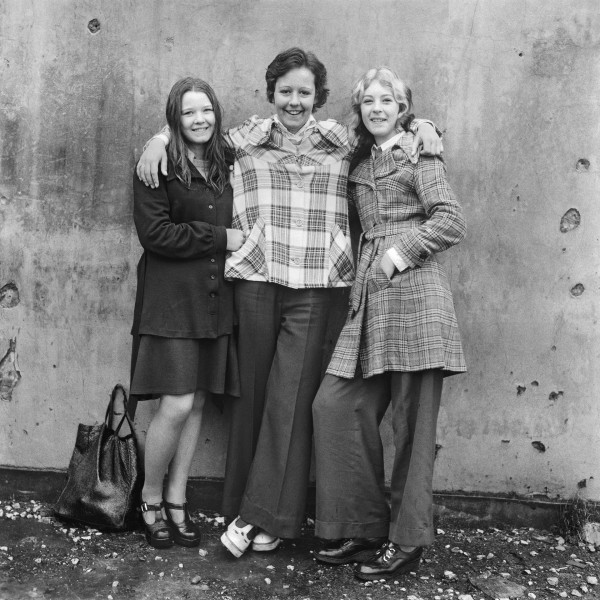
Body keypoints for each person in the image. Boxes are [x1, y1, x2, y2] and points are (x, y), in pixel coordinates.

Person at [136, 48, 443, 558]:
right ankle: (242, 509)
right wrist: (159, 137)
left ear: (318, 97)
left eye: (304, 92)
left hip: (319, 287)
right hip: (256, 281)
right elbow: (197, 135)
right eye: (286, 91)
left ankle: (269, 517)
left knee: (292, 403)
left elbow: (395, 130)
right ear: (271, 94)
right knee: (251, 402)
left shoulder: (345, 143)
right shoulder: (244, 142)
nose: (295, 101)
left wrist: (427, 124)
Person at [312, 67, 466, 581]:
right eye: (368, 101)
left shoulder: (421, 152)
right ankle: (365, 525)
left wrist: (398, 253)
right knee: (335, 406)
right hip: (371, 300)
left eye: (388, 101)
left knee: (411, 427)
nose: (377, 108)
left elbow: (449, 219)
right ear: (359, 109)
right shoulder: (359, 160)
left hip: (418, 299)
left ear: (403, 108)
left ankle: (406, 540)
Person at [131, 77, 243, 549]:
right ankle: (150, 499)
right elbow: (155, 235)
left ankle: (178, 498)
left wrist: (421, 127)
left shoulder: (226, 157)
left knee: (197, 402)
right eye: (188, 113)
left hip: (215, 299)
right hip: (171, 300)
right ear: (174, 119)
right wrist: (219, 238)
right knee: (174, 403)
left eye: (207, 111)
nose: (200, 120)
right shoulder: (157, 165)